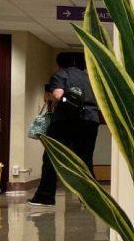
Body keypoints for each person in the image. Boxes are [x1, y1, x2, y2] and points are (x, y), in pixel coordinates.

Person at [29, 53, 100, 208]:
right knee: (85, 159)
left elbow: (58, 94)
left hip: (65, 121)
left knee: (52, 157)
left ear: (60, 64)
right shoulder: (90, 78)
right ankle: (91, 199)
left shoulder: (61, 74)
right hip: (90, 121)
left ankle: (45, 197)